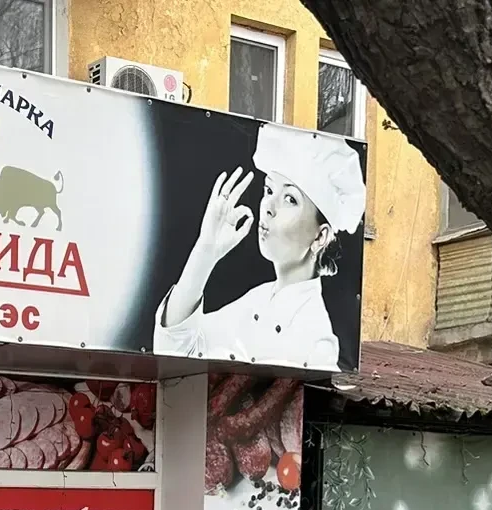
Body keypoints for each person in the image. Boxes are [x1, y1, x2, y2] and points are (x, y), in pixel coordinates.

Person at [154, 125, 367, 370]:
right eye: (269, 190)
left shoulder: (317, 342)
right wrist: (206, 250)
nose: (267, 207)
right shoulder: (257, 299)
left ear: (320, 237)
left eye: (290, 199)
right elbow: (174, 350)